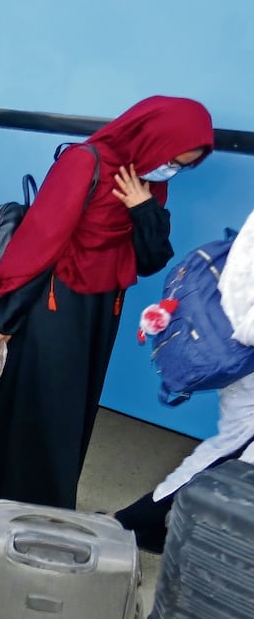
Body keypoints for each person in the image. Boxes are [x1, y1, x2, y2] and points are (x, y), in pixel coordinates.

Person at [0, 96, 214, 509]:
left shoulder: (149, 184)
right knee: (45, 407)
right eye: (172, 160)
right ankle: (33, 506)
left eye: (182, 166)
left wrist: (142, 208)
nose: (171, 169)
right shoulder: (84, 163)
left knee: (73, 411)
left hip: (103, 310)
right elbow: (39, 246)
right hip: (53, 306)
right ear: (152, 139)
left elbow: (151, 259)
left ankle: (33, 503)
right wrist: (3, 317)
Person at [114, 207, 254, 552]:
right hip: (245, 356)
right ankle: (137, 522)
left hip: (239, 346)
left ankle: (144, 522)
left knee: (231, 448)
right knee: (233, 450)